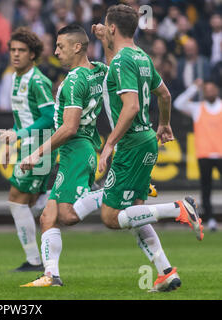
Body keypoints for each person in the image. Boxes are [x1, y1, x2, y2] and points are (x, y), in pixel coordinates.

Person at [71, 4, 204, 292]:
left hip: (131, 144)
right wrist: (164, 125)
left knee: (110, 217)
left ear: (113, 28)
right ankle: (166, 271)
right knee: (135, 212)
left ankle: (178, 208)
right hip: (147, 140)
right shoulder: (141, 57)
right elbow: (165, 95)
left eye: (106, 26)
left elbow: (130, 107)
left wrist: (109, 145)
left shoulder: (121, 62)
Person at [19, 24, 107, 287]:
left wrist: (37, 153)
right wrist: (106, 38)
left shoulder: (72, 81)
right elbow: (112, 63)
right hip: (83, 147)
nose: (56, 51)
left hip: (77, 149)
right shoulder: (98, 71)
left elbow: (69, 128)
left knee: (68, 215)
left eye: (61, 46)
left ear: (77, 47)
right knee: (48, 217)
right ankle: (51, 275)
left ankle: (114, 189)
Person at [0, 27, 56, 272]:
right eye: (13, 50)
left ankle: (33, 261)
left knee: (16, 201)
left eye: (21, 50)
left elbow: (49, 117)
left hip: (40, 147)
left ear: (33, 54)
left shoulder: (38, 80)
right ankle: (68, 196)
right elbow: (23, 118)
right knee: (30, 202)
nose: (16, 54)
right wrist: (13, 142)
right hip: (28, 147)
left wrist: (18, 135)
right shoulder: (14, 77)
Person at [173, 79, 221, 232]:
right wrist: (194, 87)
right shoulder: (198, 108)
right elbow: (178, 104)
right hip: (204, 155)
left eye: (212, 89)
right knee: (206, 189)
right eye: (206, 90)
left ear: (217, 91)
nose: (209, 92)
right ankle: (211, 220)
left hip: (220, 154)